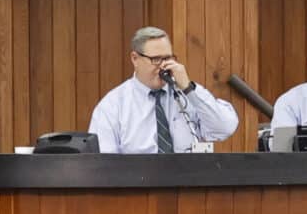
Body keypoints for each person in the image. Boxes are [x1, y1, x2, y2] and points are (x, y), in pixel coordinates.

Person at [89, 27, 239, 153]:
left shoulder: (187, 95)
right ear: (135, 59)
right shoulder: (113, 105)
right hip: (137, 184)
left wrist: (189, 88)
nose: (163, 66)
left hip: (187, 183)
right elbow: (103, 163)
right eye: (156, 59)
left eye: (167, 58)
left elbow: (224, 128)